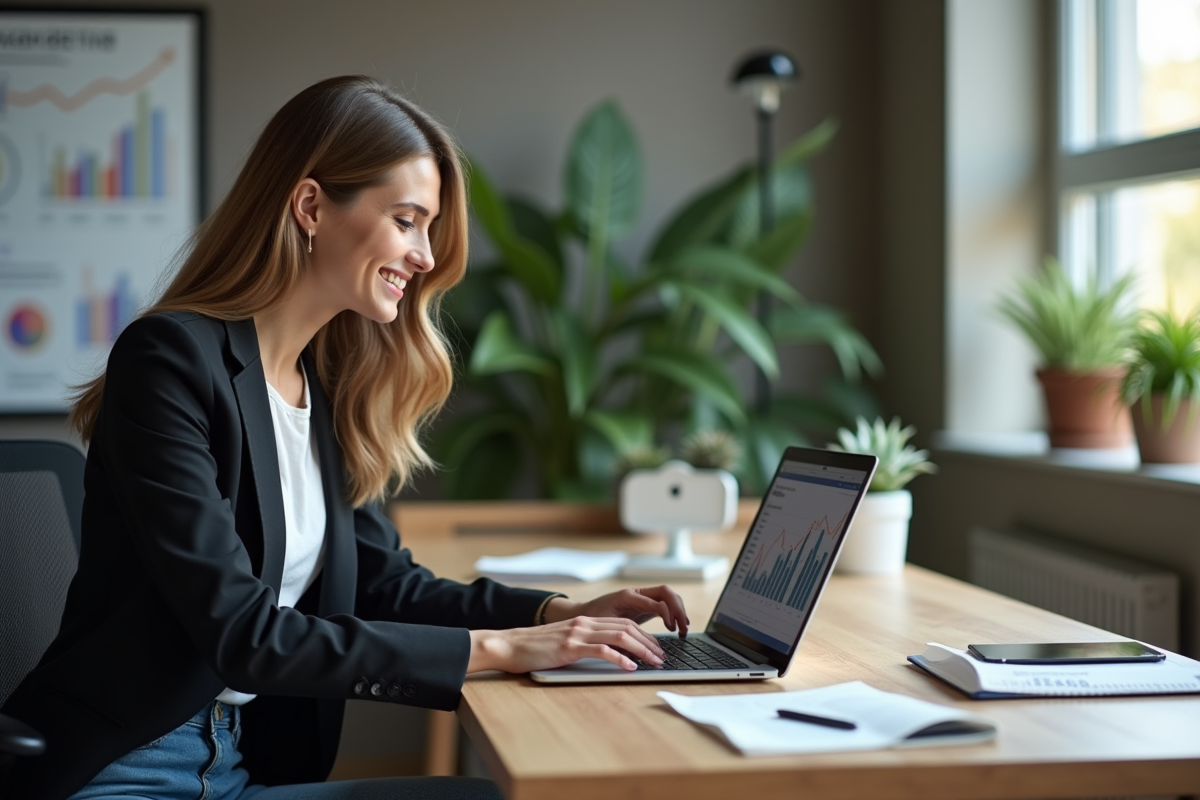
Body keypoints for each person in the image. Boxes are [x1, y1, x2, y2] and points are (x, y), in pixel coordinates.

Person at [0, 75, 688, 800]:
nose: (425, 256)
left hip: (234, 766)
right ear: (310, 207)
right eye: (406, 220)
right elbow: (243, 632)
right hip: (125, 771)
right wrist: (504, 649)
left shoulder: (317, 389)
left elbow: (382, 582)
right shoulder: (170, 360)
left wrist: (556, 614)